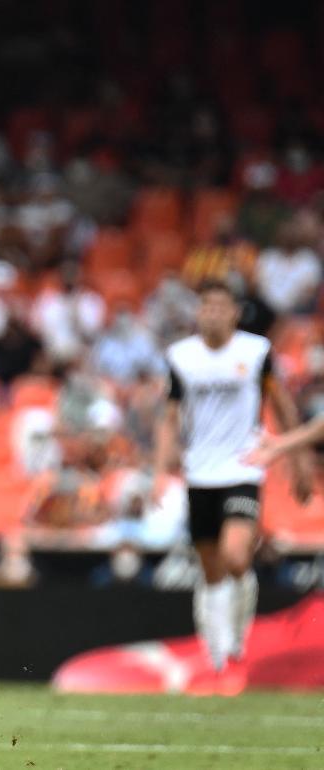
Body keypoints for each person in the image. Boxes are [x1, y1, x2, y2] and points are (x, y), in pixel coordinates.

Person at [153, 280, 314, 691]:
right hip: (199, 470)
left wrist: (296, 461)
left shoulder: (254, 353)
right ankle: (215, 648)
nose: (211, 313)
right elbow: (169, 416)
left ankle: (234, 638)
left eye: (219, 306)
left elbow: (280, 404)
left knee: (236, 555)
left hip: (244, 466)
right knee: (210, 567)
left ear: (234, 313)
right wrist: (160, 469)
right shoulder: (182, 357)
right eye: (205, 306)